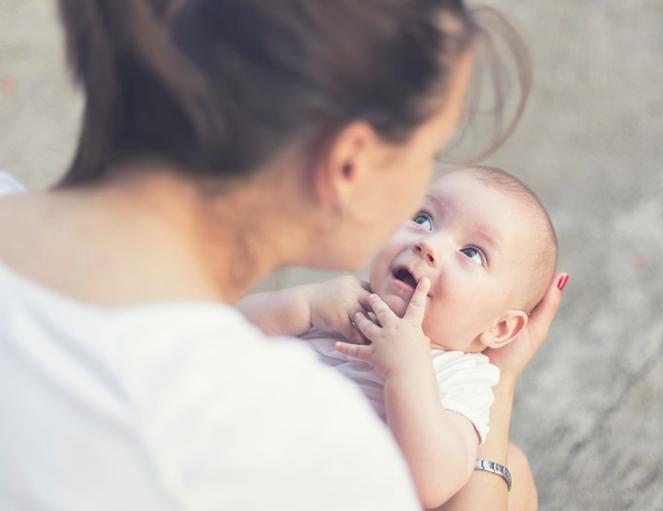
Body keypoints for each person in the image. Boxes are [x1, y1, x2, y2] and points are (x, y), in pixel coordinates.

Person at [0, 1, 566, 510]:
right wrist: (504, 388)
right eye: (430, 155)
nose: (427, 241)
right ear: (351, 163)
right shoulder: (288, 454)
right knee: (507, 469)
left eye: (471, 251)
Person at [239, 166, 558, 509]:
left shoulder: (460, 377)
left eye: (471, 253)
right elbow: (222, 335)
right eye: (423, 218)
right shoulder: (339, 306)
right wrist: (305, 305)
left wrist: (407, 371)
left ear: (500, 329)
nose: (428, 244)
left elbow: (430, 483)